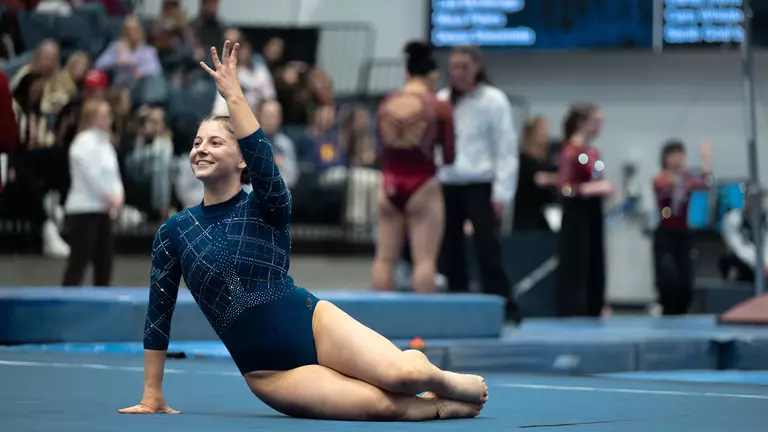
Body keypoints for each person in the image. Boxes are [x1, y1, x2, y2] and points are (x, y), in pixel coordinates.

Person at [119, 41, 487, 421]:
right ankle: (439, 405)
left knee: (403, 376)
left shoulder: (267, 204)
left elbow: (263, 160)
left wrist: (234, 97)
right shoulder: (175, 232)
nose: (201, 150)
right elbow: (158, 313)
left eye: (215, 142)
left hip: (313, 324)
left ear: (242, 159)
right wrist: (152, 394)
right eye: (197, 143)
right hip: (269, 373)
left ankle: (434, 376)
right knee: (382, 406)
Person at [436, 46, 520, 321]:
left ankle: (504, 306)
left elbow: (505, 149)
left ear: (477, 68)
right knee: (451, 249)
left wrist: (502, 193)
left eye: (465, 67)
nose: (459, 73)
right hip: (448, 183)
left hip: (480, 184)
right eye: (454, 67)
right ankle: (456, 307)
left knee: (487, 247)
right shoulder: (442, 100)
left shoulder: (493, 100)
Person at [371, 41, 455, 293]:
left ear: (406, 74)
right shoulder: (438, 106)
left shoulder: (386, 104)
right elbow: (449, 154)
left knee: (384, 259)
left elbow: (379, 148)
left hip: (389, 183)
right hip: (422, 183)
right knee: (425, 261)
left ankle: (377, 318)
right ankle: (425, 318)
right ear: (433, 76)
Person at [556, 104, 613, 317]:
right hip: (576, 214)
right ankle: (574, 309)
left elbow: (597, 178)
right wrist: (587, 189)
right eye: (596, 121)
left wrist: (600, 187)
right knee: (577, 262)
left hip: (593, 213)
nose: (600, 126)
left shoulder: (593, 153)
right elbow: (564, 187)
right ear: (582, 123)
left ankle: (595, 306)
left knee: (595, 261)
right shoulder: (571, 151)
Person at [62, 98, 123, 286]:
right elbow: (91, 175)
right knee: (78, 263)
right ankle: (67, 299)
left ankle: (102, 300)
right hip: (84, 209)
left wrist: (119, 196)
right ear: (92, 117)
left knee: (104, 264)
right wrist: (109, 196)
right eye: (105, 115)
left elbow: (114, 175)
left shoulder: (107, 145)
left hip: (103, 210)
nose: (109, 118)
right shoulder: (82, 143)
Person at [652, 140, 713, 315]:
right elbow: (667, 184)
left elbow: (705, 183)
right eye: (675, 156)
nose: (679, 159)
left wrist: (706, 160)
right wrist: (684, 178)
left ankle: (683, 310)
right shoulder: (660, 178)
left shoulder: (685, 178)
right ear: (666, 158)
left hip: (682, 234)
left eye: (681, 155)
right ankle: (666, 308)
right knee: (669, 277)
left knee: (686, 279)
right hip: (666, 233)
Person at [513, 116, 557, 232]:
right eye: (542, 130)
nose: (546, 133)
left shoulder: (549, 157)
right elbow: (539, 179)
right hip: (528, 215)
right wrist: (555, 178)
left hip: (548, 213)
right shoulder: (524, 158)